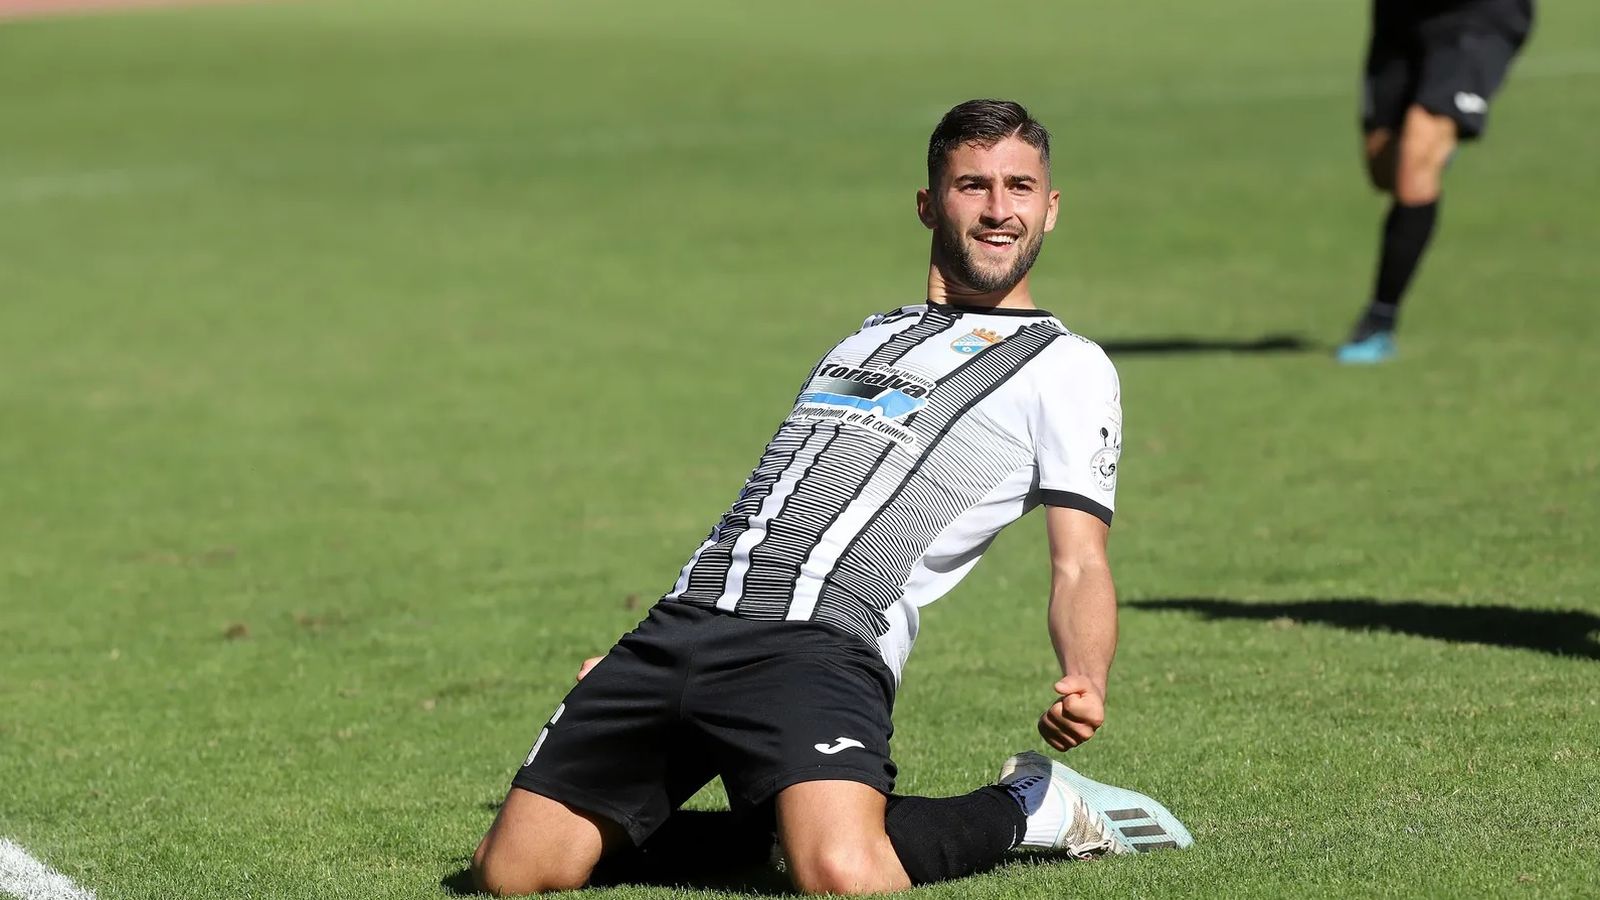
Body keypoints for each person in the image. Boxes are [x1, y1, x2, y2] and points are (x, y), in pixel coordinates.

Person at [470, 99, 1192, 897]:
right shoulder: (865, 336)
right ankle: (776, 824)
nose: (997, 210)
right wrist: (638, 649)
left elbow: (1080, 559)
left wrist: (1085, 674)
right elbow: (776, 492)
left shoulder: (1067, 366)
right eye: (972, 185)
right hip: (687, 624)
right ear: (929, 204)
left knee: (846, 874)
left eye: (1020, 187)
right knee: (513, 873)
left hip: (824, 639)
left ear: (1049, 209)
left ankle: (1027, 805)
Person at [1338, 0, 1534, 364]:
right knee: (1384, 169)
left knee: (1416, 165)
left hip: (1478, 17)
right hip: (1401, 17)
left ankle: (1380, 318)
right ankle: (1430, 146)